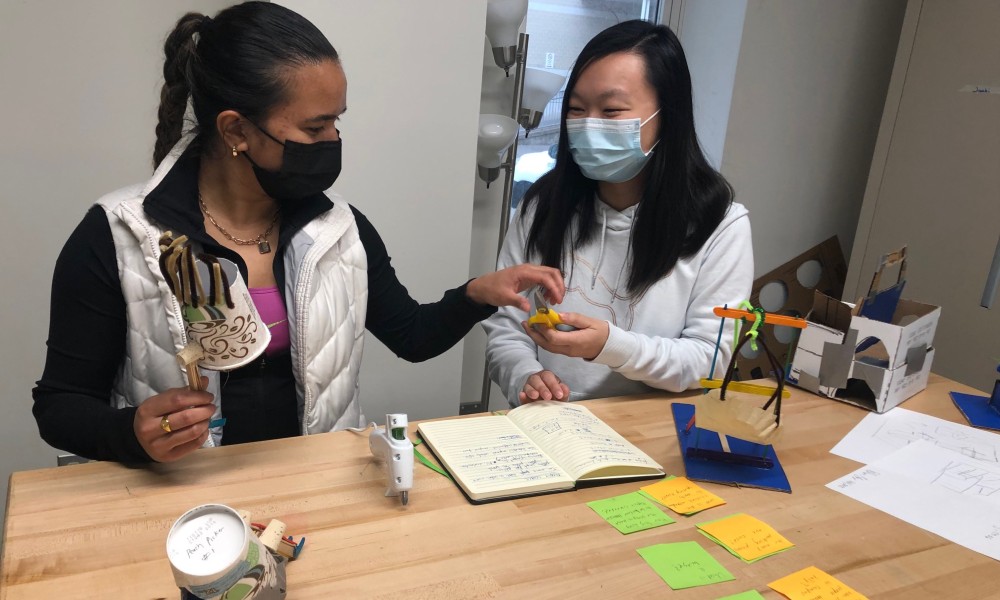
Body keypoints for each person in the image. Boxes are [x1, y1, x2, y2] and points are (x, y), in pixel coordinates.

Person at [32, 2, 563, 464]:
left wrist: (477, 295)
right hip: (187, 510)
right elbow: (59, 406)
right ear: (236, 130)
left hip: (316, 491)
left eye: (337, 120)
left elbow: (413, 337)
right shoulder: (120, 236)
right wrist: (131, 433)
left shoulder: (341, 232)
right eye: (315, 127)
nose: (335, 139)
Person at [483, 20, 753, 407]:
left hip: (651, 434)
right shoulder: (543, 206)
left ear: (667, 115)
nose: (589, 125)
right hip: (547, 426)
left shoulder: (719, 225)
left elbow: (708, 361)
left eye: (611, 111)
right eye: (576, 109)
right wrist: (526, 377)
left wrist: (611, 345)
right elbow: (506, 328)